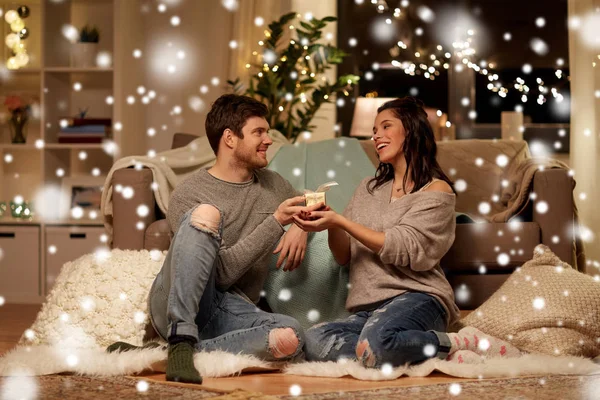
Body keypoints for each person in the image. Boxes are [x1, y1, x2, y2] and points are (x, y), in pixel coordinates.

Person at [107, 94, 322, 384]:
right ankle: (180, 336)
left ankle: (162, 354)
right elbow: (218, 275)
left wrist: (301, 226)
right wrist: (277, 221)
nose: (268, 140)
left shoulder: (273, 184)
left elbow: (315, 197)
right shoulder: (190, 193)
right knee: (207, 215)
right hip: (179, 301)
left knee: (291, 337)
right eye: (259, 132)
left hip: (230, 310)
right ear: (230, 138)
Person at [294, 97, 520, 368]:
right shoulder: (368, 188)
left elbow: (405, 248)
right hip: (368, 308)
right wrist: (331, 224)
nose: (377, 135)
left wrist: (342, 221)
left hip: (417, 298)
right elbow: (344, 256)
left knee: (378, 342)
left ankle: (456, 343)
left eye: (386, 126)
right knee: (314, 341)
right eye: (375, 130)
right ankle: (407, 352)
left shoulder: (437, 192)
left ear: (411, 130)